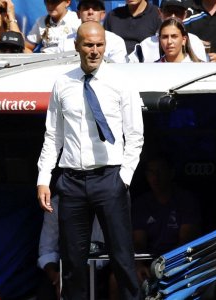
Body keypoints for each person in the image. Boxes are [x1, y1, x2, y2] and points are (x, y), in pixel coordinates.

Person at [37, 20, 144, 300]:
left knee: (122, 258)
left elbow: (135, 134)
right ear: (77, 46)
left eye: (99, 45)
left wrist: (124, 178)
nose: (95, 51)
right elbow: (53, 136)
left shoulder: (121, 81)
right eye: (88, 45)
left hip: (110, 177)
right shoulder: (62, 83)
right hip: (71, 180)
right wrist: (43, 178)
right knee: (72, 262)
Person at [109, 154, 202, 300]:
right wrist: (139, 265)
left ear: (171, 173)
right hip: (150, 263)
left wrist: (166, 267)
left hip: (179, 262)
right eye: (150, 172)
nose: (155, 177)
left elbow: (186, 240)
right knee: (116, 279)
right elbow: (139, 241)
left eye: (160, 171)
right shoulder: (142, 203)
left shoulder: (185, 200)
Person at [36, 195, 108, 300]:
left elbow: (104, 252)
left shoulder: (106, 203)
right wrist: (55, 277)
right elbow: (47, 250)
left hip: (97, 266)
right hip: (65, 265)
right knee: (46, 290)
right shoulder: (55, 204)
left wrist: (73, 277)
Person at [128, 0, 207, 63]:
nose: (173, 17)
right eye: (168, 11)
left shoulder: (195, 42)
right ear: (160, 13)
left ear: (185, 14)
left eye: (178, 12)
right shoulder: (145, 46)